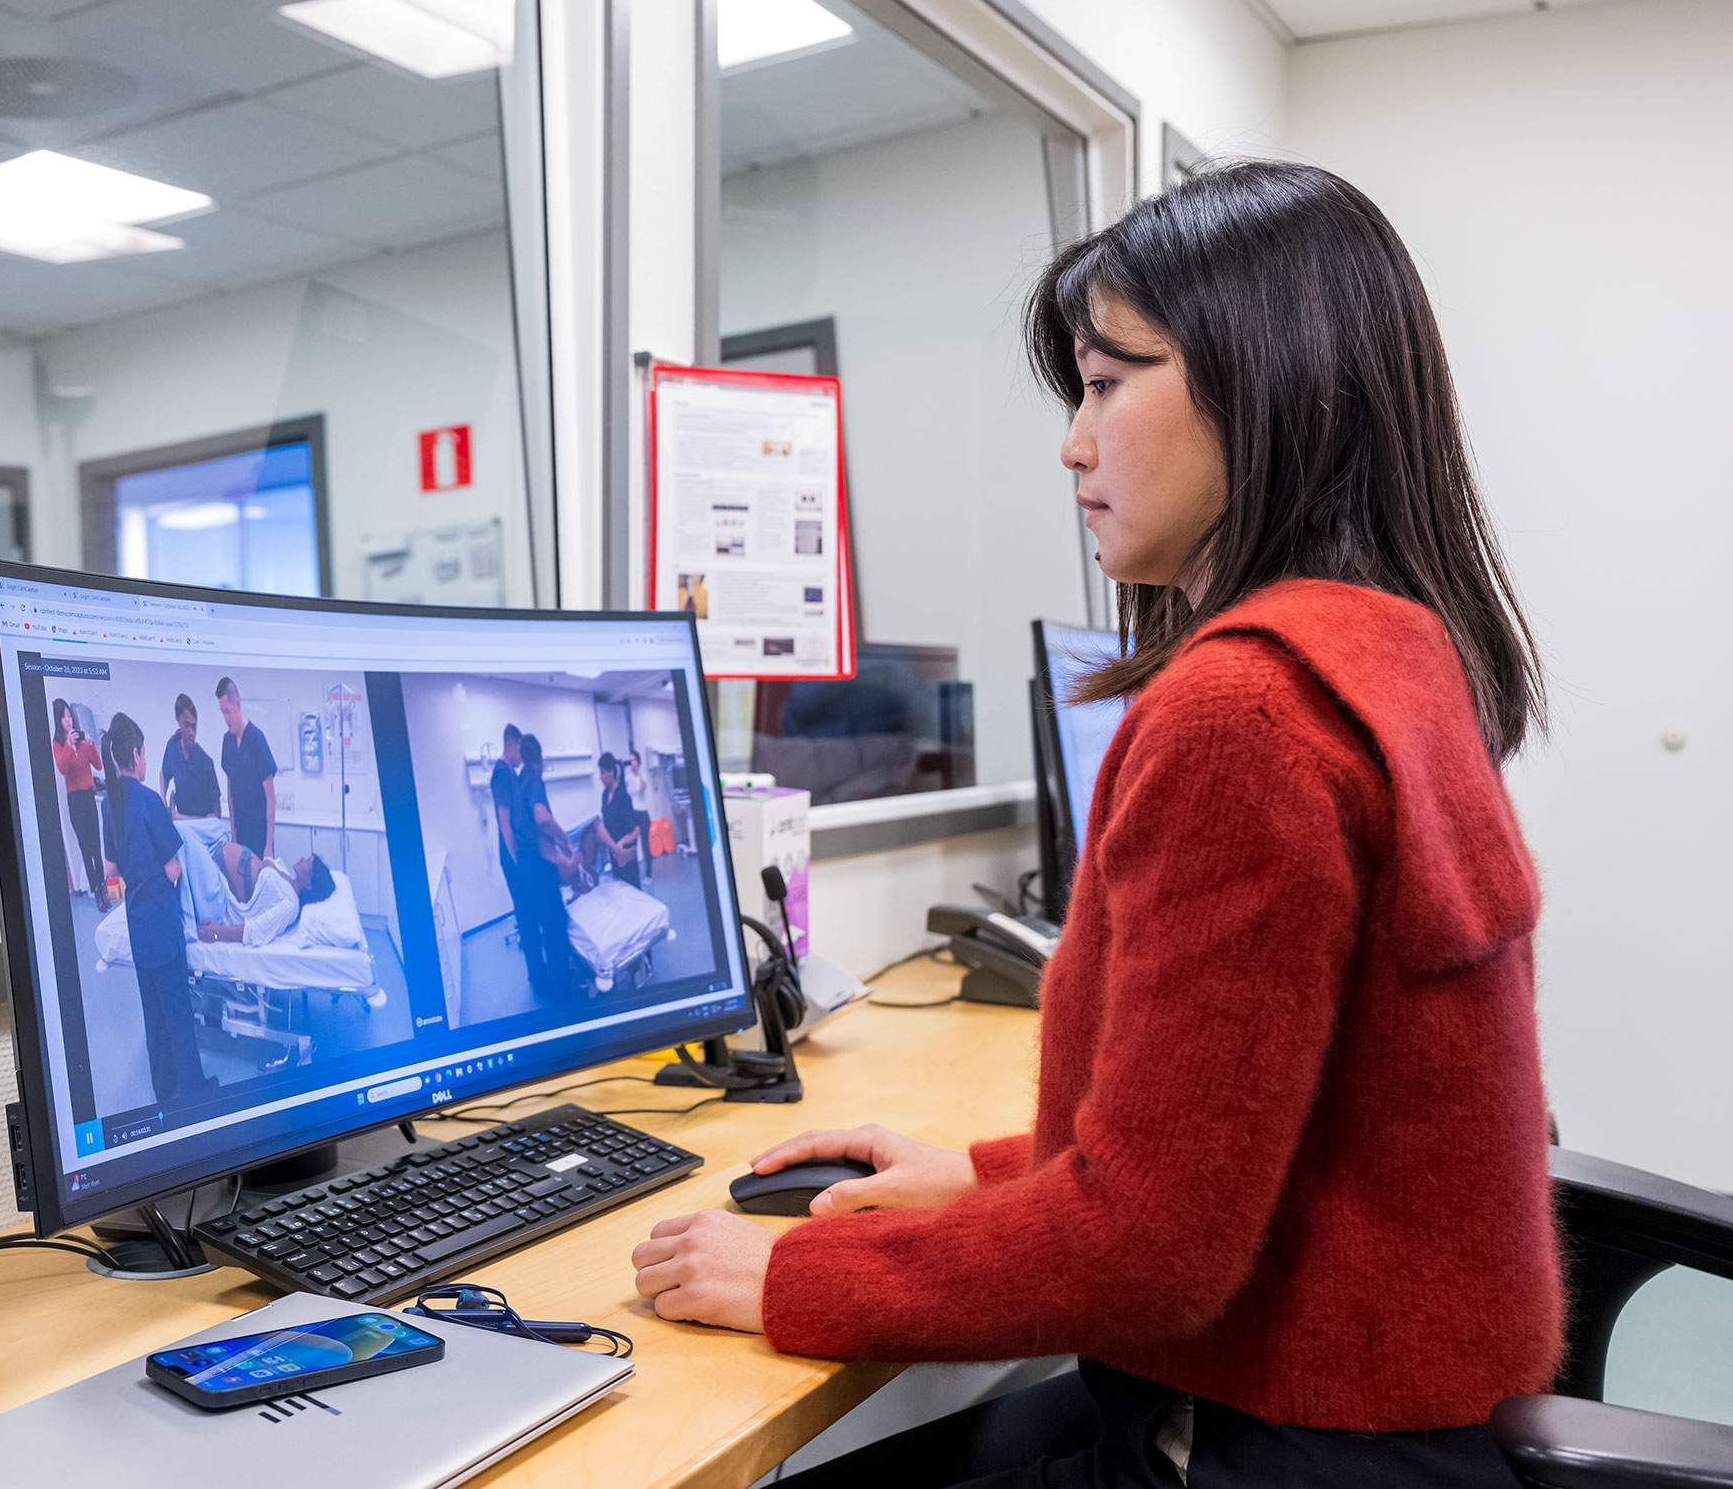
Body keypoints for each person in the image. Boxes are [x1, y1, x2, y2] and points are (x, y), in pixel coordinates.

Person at [629, 162, 1560, 1488]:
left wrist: (788, 1275)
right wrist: (982, 1171)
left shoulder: (1244, 714)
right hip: (1387, 1407)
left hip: (1271, 1438)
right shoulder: (1391, 648)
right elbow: (1250, 1130)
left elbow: (1150, 1247)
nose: (1073, 442)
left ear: (1265, 385)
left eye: (1107, 383)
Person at [98, 711, 215, 1107]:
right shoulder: (150, 802)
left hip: (137, 923)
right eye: (144, 753)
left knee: (153, 1014)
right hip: (163, 924)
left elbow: (111, 871)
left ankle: (164, 1089)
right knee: (178, 1012)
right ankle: (195, 1090)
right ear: (136, 754)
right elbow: (174, 869)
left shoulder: (109, 804)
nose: (146, 759)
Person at [180, 837, 335, 947]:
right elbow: (267, 860)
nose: (303, 859)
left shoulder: (290, 905)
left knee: (183, 835)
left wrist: (216, 933)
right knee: (197, 829)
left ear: (309, 885)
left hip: (219, 892)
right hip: (216, 857)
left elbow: (256, 930)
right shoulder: (287, 875)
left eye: (308, 862)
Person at [512, 733, 578, 992]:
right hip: (538, 867)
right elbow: (542, 818)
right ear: (539, 758)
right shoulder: (535, 779)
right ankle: (562, 988)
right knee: (555, 924)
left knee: (543, 923)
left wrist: (556, 848)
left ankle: (551, 979)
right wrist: (563, 839)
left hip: (525, 865)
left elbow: (529, 826)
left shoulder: (519, 781)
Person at [487, 723, 545, 982]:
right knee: (526, 914)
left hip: (518, 855)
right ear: (511, 744)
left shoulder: (511, 772)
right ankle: (537, 976)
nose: (522, 755)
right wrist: (519, 863)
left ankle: (539, 970)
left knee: (531, 912)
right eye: (520, 749)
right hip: (513, 857)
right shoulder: (501, 774)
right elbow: (505, 824)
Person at [50, 698, 107, 911]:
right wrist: (68, 745)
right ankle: (96, 890)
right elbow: (63, 768)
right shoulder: (58, 743)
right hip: (75, 800)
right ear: (58, 720)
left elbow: (98, 765)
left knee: (96, 845)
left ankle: (103, 887)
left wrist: (91, 745)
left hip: (88, 796)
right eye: (63, 717)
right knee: (85, 847)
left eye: (69, 715)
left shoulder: (83, 740)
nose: (68, 720)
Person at [215, 676, 276, 859]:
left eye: (228, 712)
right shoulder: (227, 742)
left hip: (260, 834)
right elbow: (230, 791)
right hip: (240, 834)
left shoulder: (257, 739)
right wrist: (233, 832)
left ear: (238, 704)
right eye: (222, 713)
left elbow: (271, 799)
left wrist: (268, 846)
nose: (226, 718)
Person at [159, 692, 227, 854]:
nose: (191, 732)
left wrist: (178, 817)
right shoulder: (172, 746)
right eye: (186, 725)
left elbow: (216, 815)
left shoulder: (205, 763)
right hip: (182, 829)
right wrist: (163, 798)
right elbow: (164, 773)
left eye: (194, 727)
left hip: (202, 830)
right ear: (178, 722)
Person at [594, 752, 643, 888]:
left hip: (625, 853)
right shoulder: (604, 795)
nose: (601, 777)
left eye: (603, 773)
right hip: (614, 854)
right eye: (600, 773)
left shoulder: (623, 797)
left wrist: (619, 845)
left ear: (611, 772)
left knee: (631, 889)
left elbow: (634, 831)